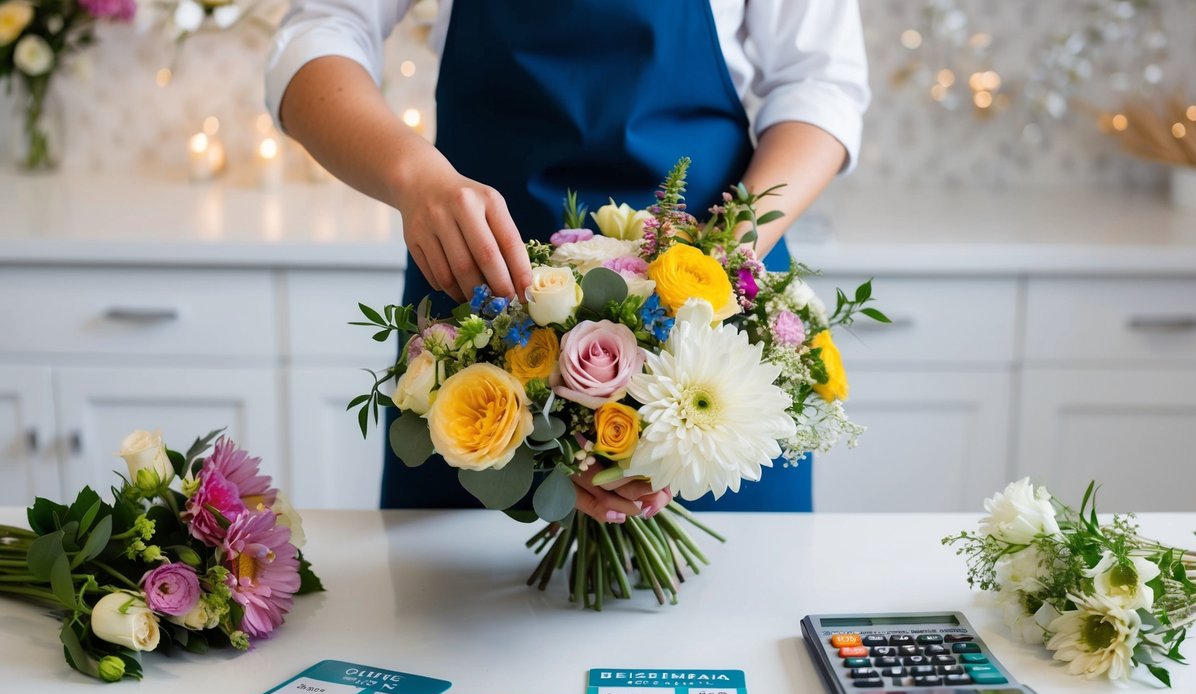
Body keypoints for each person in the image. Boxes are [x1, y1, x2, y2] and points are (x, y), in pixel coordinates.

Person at [266, 0, 870, 520]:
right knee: (452, 633)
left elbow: (820, 80)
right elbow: (322, 28)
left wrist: (727, 250)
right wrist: (412, 177)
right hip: (484, 306)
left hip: (714, 308)